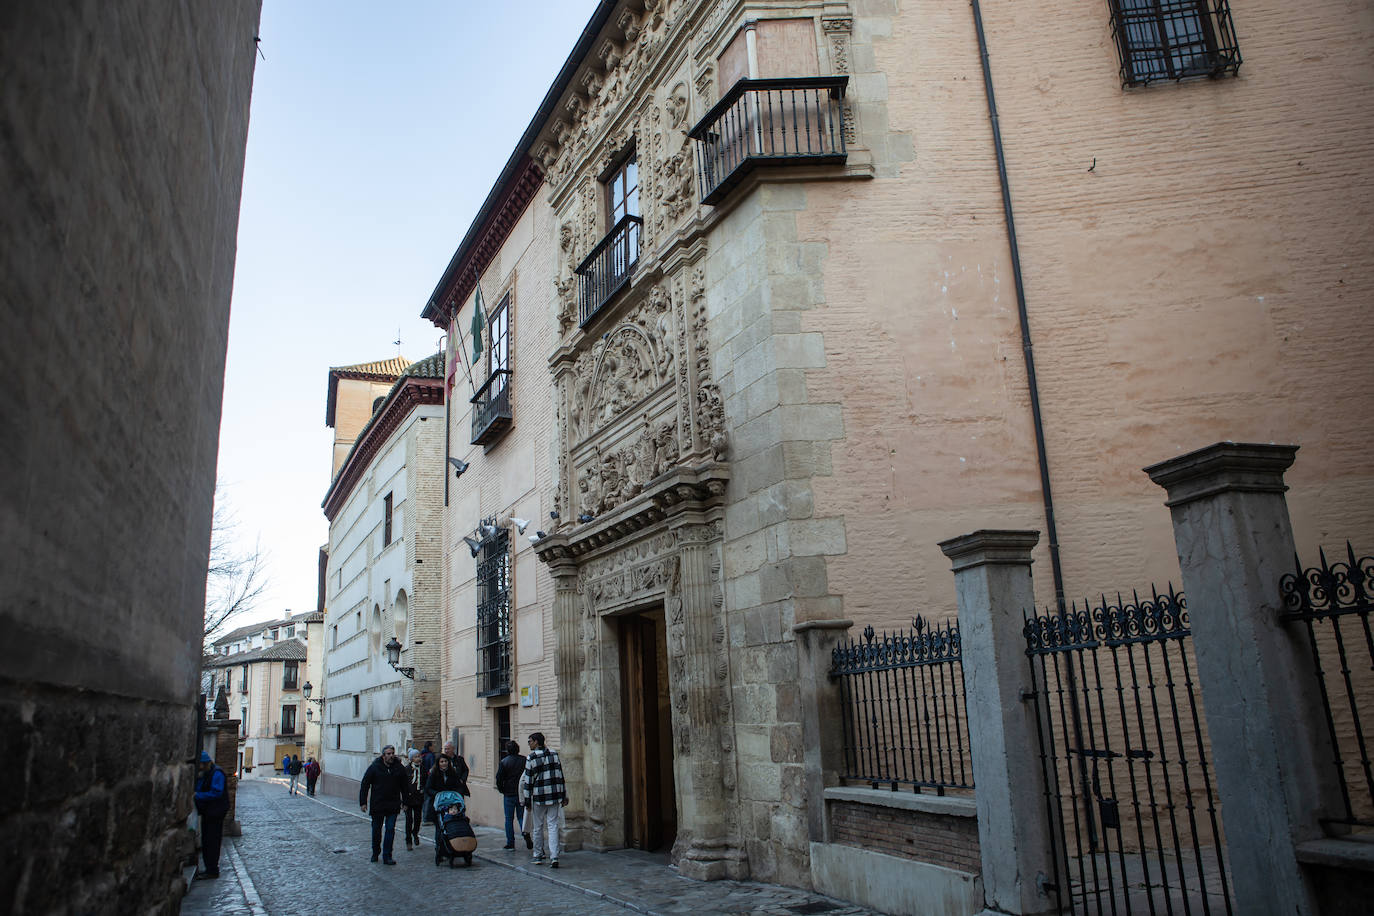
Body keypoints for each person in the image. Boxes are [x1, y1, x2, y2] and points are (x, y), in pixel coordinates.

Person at [523, 732, 568, 868]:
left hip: (539, 797)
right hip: (554, 795)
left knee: (538, 827)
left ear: (536, 742)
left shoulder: (531, 757)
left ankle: (537, 855)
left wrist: (526, 800)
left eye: (530, 741)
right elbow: (560, 775)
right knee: (553, 826)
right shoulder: (554, 754)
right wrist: (564, 794)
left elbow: (528, 780)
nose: (529, 743)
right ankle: (554, 856)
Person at [359, 745, 407, 864]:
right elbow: (365, 784)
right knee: (376, 830)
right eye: (388, 754)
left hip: (393, 804)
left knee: (390, 829)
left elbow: (405, 786)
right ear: (383, 755)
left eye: (392, 753)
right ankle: (375, 852)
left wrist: (405, 802)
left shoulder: (399, 768)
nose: (391, 756)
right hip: (378, 804)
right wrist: (363, 802)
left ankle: (387, 855)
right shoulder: (375, 767)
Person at [424, 753, 466, 866]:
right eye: (441, 762)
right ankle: (439, 850)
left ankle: (451, 848)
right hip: (438, 805)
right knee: (439, 829)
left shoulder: (453, 773)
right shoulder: (434, 774)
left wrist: (456, 794)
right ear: (438, 763)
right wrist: (438, 794)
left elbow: (458, 785)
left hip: (451, 804)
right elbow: (428, 788)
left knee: (452, 827)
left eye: (445, 761)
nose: (444, 764)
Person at [193, 751, 229, 879]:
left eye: (201, 765)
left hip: (216, 812)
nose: (200, 768)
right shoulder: (207, 773)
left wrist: (198, 796)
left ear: (206, 763)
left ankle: (212, 869)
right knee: (207, 840)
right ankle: (209, 868)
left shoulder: (217, 773)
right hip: (209, 812)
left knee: (212, 841)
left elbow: (216, 792)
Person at [495, 739, 529, 850]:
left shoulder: (504, 762)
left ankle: (510, 842)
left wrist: (501, 789)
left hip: (508, 793)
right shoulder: (524, 760)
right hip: (521, 793)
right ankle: (525, 835)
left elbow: (499, 778)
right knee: (521, 817)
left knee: (509, 819)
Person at [402, 749, 425, 851]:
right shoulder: (407, 769)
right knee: (408, 820)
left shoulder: (423, 769)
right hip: (408, 798)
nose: (418, 758)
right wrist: (403, 800)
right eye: (416, 757)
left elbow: (426, 781)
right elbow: (403, 785)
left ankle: (415, 833)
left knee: (418, 819)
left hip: (419, 798)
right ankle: (408, 840)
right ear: (411, 759)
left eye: (419, 756)